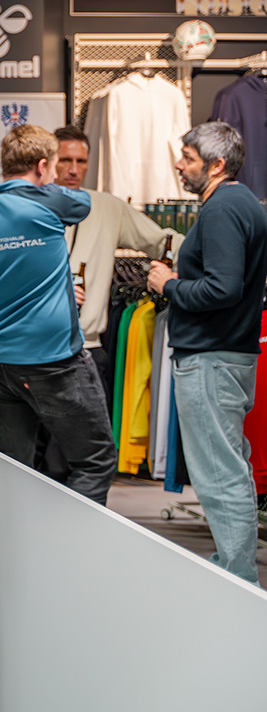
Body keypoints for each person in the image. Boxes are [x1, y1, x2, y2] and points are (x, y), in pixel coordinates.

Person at [0, 125, 117, 504]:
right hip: (55, 362)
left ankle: (13, 541)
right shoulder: (51, 202)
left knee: (13, 466)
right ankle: (75, 542)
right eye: (56, 166)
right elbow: (82, 203)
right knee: (94, 461)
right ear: (43, 166)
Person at [147, 121, 267, 584]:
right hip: (228, 355)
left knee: (220, 473)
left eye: (189, 158)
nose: (179, 165)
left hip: (211, 359)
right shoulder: (242, 204)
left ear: (216, 165)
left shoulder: (223, 209)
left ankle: (237, 580)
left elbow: (222, 288)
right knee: (229, 466)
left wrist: (169, 285)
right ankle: (236, 573)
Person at [53, 125, 172, 384]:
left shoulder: (107, 207)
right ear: (49, 162)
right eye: (65, 160)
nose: (73, 169)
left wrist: (210, 250)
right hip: (37, 346)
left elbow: (162, 241)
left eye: (81, 161)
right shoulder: (27, 208)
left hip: (88, 347)